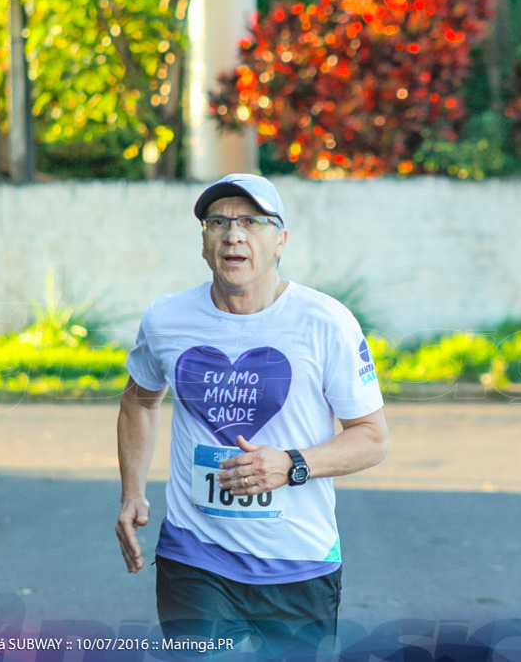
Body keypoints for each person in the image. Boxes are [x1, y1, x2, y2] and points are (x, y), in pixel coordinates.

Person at [114, 173, 389, 656]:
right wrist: (132, 492)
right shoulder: (167, 319)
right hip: (194, 555)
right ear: (204, 243)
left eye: (251, 221)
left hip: (299, 562)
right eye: (217, 221)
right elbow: (139, 400)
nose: (233, 234)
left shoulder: (326, 322)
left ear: (280, 241)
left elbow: (371, 437)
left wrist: (291, 464)